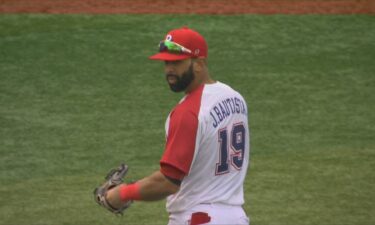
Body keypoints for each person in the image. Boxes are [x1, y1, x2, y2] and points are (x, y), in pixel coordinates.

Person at [106, 26, 250, 225]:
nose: (169, 70)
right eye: (166, 63)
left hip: (199, 218)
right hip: (236, 217)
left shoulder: (188, 113)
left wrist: (121, 193)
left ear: (199, 63)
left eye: (177, 63)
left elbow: (168, 182)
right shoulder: (235, 98)